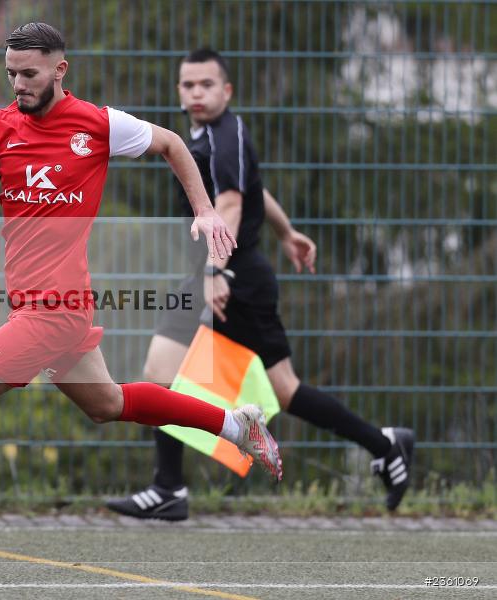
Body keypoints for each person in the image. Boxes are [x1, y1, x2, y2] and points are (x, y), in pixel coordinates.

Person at [0, 24, 283, 557]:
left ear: (60, 70)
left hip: (54, 311)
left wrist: (203, 209)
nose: (19, 84)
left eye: (30, 73)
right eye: (11, 73)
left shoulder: (98, 124)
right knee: (108, 403)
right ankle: (236, 424)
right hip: (41, 305)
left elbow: (172, 144)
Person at [106, 48, 414, 522]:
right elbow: (255, 188)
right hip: (223, 274)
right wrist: (286, 232)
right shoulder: (208, 136)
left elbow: (231, 203)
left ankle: (384, 446)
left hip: (235, 279)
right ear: (179, 92)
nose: (197, 93)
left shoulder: (224, 133)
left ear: (226, 91)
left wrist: (214, 272)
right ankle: (169, 487)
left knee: (272, 388)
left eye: (207, 84)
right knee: (173, 373)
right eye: (188, 85)